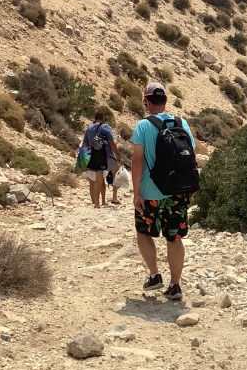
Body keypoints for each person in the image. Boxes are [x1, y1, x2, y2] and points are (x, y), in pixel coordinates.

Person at [130, 81, 196, 301]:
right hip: (177, 192)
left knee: (143, 232)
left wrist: (136, 193)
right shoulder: (181, 123)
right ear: (166, 101)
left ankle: (154, 275)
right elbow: (190, 156)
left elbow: (137, 161)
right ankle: (175, 285)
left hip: (150, 194)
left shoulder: (143, 126)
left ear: (146, 102)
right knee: (174, 237)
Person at [82, 111, 121, 207]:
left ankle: (97, 202)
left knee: (98, 179)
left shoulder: (89, 128)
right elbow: (111, 142)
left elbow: (85, 145)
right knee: (117, 173)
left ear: (95, 118)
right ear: (103, 118)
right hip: (107, 155)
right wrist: (118, 155)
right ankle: (114, 197)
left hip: (95, 156)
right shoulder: (105, 127)